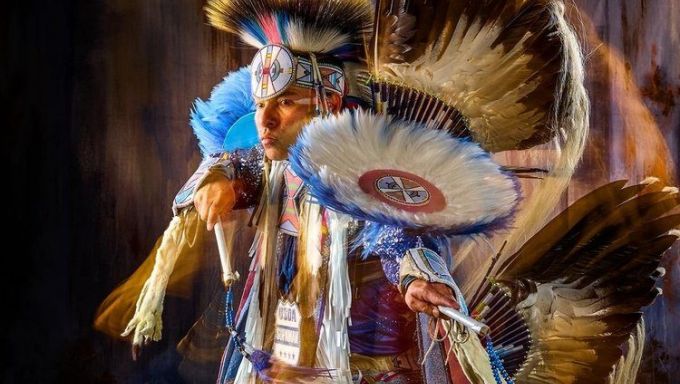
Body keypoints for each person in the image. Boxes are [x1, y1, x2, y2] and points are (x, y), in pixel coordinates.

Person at [97, 1, 680, 383]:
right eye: (260, 108)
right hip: (273, 354)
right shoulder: (274, 160)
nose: (267, 121)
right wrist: (221, 183)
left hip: (362, 361)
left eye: (284, 105)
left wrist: (417, 278)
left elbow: (400, 233)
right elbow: (241, 161)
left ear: (327, 101)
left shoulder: (376, 172)